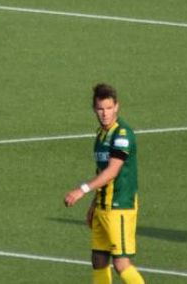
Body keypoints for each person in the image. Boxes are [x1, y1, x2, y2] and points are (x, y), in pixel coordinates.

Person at [64, 83, 145, 284]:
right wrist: (94, 204)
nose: (105, 113)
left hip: (120, 206)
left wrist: (81, 190)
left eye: (109, 108)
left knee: (121, 264)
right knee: (98, 260)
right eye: (100, 109)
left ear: (117, 106)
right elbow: (101, 172)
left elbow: (112, 171)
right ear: (94, 109)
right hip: (102, 206)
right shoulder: (101, 135)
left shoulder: (122, 135)